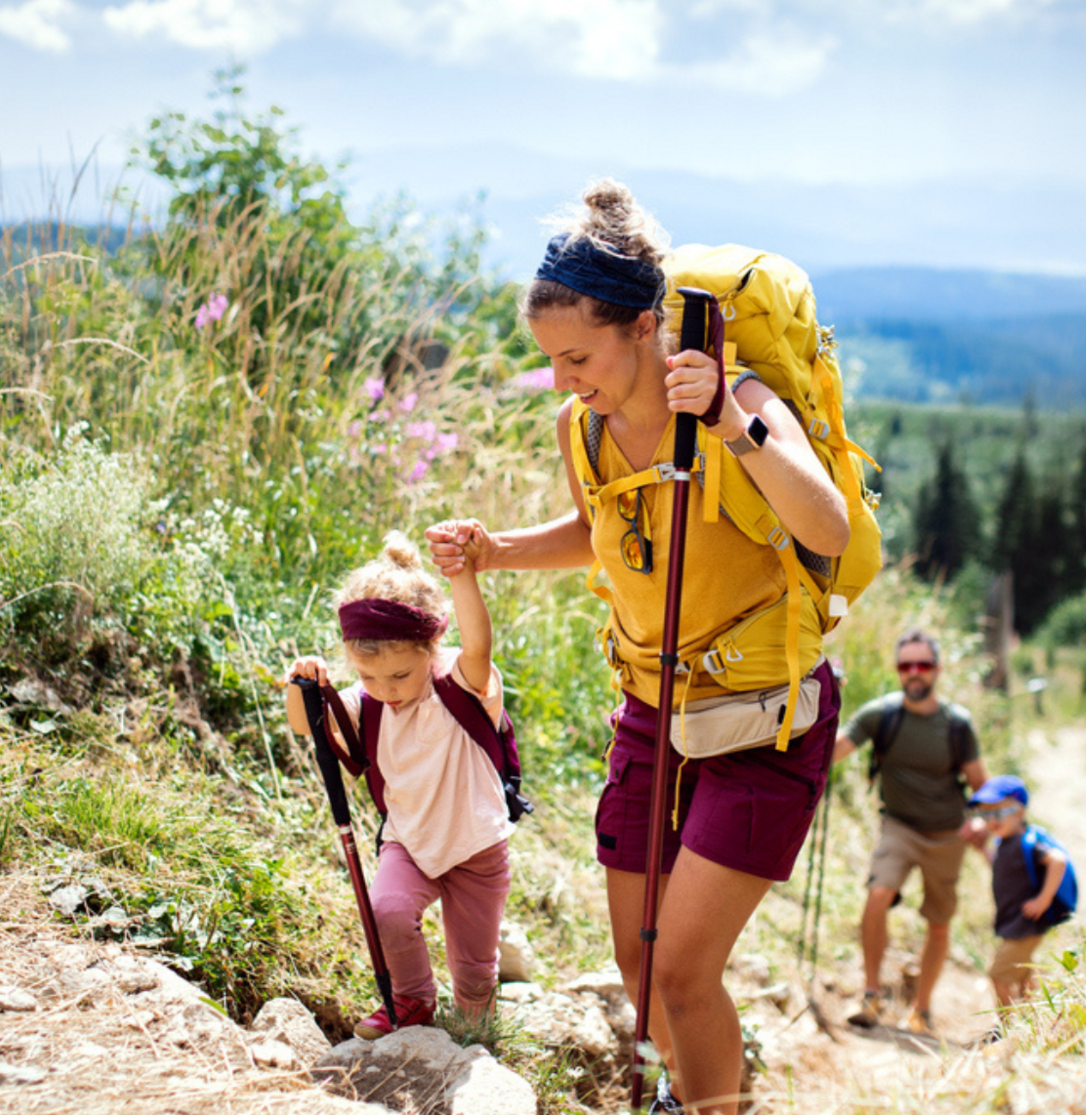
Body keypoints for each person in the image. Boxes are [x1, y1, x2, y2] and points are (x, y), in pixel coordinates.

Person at [426, 179, 849, 1115]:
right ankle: (695, 1094)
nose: (563, 379)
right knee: (640, 964)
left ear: (646, 326)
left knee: (686, 971)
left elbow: (826, 526)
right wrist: (497, 551)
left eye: (577, 356)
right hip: (653, 711)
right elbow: (600, 529)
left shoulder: (738, 396)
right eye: (551, 360)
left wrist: (730, 423)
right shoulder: (583, 426)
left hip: (762, 717)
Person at [285, 530, 511, 1040]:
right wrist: (301, 684)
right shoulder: (367, 703)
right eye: (369, 677)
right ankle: (412, 1001)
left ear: (432, 648)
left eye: (400, 676)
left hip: (476, 846)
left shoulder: (460, 683)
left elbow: (479, 644)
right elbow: (305, 725)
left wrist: (462, 575)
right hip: (409, 839)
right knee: (386, 910)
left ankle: (477, 1031)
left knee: (474, 968)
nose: (386, 690)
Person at [831, 630, 988, 1035]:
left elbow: (981, 787)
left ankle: (922, 1009)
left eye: (923, 664)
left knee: (939, 922)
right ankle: (870, 995)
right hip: (899, 827)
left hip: (948, 835)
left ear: (937, 669)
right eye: (906, 665)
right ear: (897, 670)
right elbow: (833, 750)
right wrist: (824, 703)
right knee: (877, 894)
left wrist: (981, 820)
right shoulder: (880, 715)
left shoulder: (957, 724)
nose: (914, 673)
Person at [970, 775, 1070, 1013]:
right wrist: (982, 849)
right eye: (985, 814)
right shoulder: (1005, 843)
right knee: (1024, 973)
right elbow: (1001, 869)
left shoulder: (1026, 842)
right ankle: (1034, 1017)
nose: (991, 821)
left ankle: (1008, 1025)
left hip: (1026, 923)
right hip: (1015, 921)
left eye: (998, 813)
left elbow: (1058, 860)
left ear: (1020, 812)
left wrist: (1043, 900)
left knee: (999, 975)